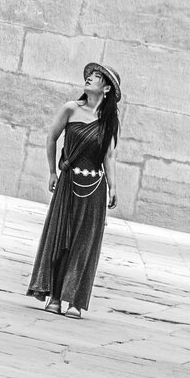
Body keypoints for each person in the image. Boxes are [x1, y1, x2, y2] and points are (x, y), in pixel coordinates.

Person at [26, 61, 121, 317]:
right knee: (62, 239)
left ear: (107, 89)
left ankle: (75, 302)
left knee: (84, 244)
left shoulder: (108, 122)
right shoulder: (71, 108)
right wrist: (52, 171)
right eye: (90, 75)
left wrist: (113, 186)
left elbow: (109, 156)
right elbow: (51, 137)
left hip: (94, 189)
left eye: (97, 76)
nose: (90, 78)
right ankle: (55, 297)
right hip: (68, 183)